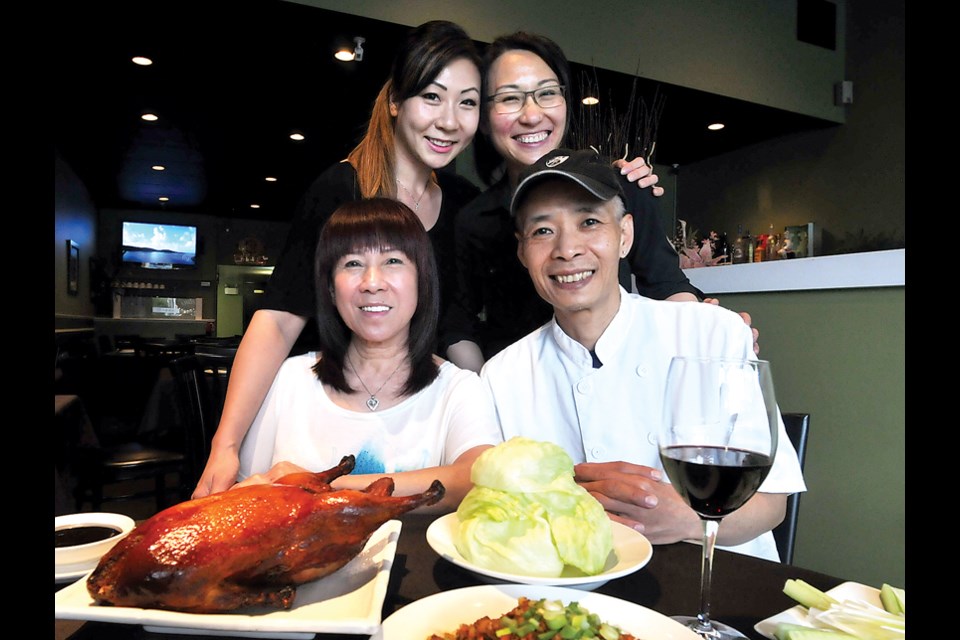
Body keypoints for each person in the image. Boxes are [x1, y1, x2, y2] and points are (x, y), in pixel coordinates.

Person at [192, 20, 484, 498]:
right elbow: (279, 319)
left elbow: (455, 324)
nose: (450, 120)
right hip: (328, 409)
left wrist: (476, 400)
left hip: (416, 419)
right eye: (432, 96)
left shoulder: (462, 203)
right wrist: (225, 444)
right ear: (395, 101)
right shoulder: (340, 190)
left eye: (467, 102)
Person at [480, 148, 805, 561]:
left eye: (590, 222)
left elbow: (772, 505)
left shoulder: (712, 333)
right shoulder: (503, 375)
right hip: (588, 592)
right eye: (543, 231)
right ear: (522, 251)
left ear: (625, 235)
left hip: (723, 581)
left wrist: (686, 517)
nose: (567, 249)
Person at [443, 31, 705, 371]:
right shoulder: (474, 219)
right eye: (510, 99)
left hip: (616, 377)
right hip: (521, 395)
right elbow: (460, 323)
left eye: (547, 93)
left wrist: (714, 335)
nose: (532, 115)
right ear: (483, 118)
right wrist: (486, 396)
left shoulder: (620, 188)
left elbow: (668, 288)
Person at [234, 198, 502, 512]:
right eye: (352, 264)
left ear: (421, 281)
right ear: (331, 289)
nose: (372, 283)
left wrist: (318, 486)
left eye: (392, 261)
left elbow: (477, 480)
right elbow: (245, 496)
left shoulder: (458, 388)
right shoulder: (290, 379)